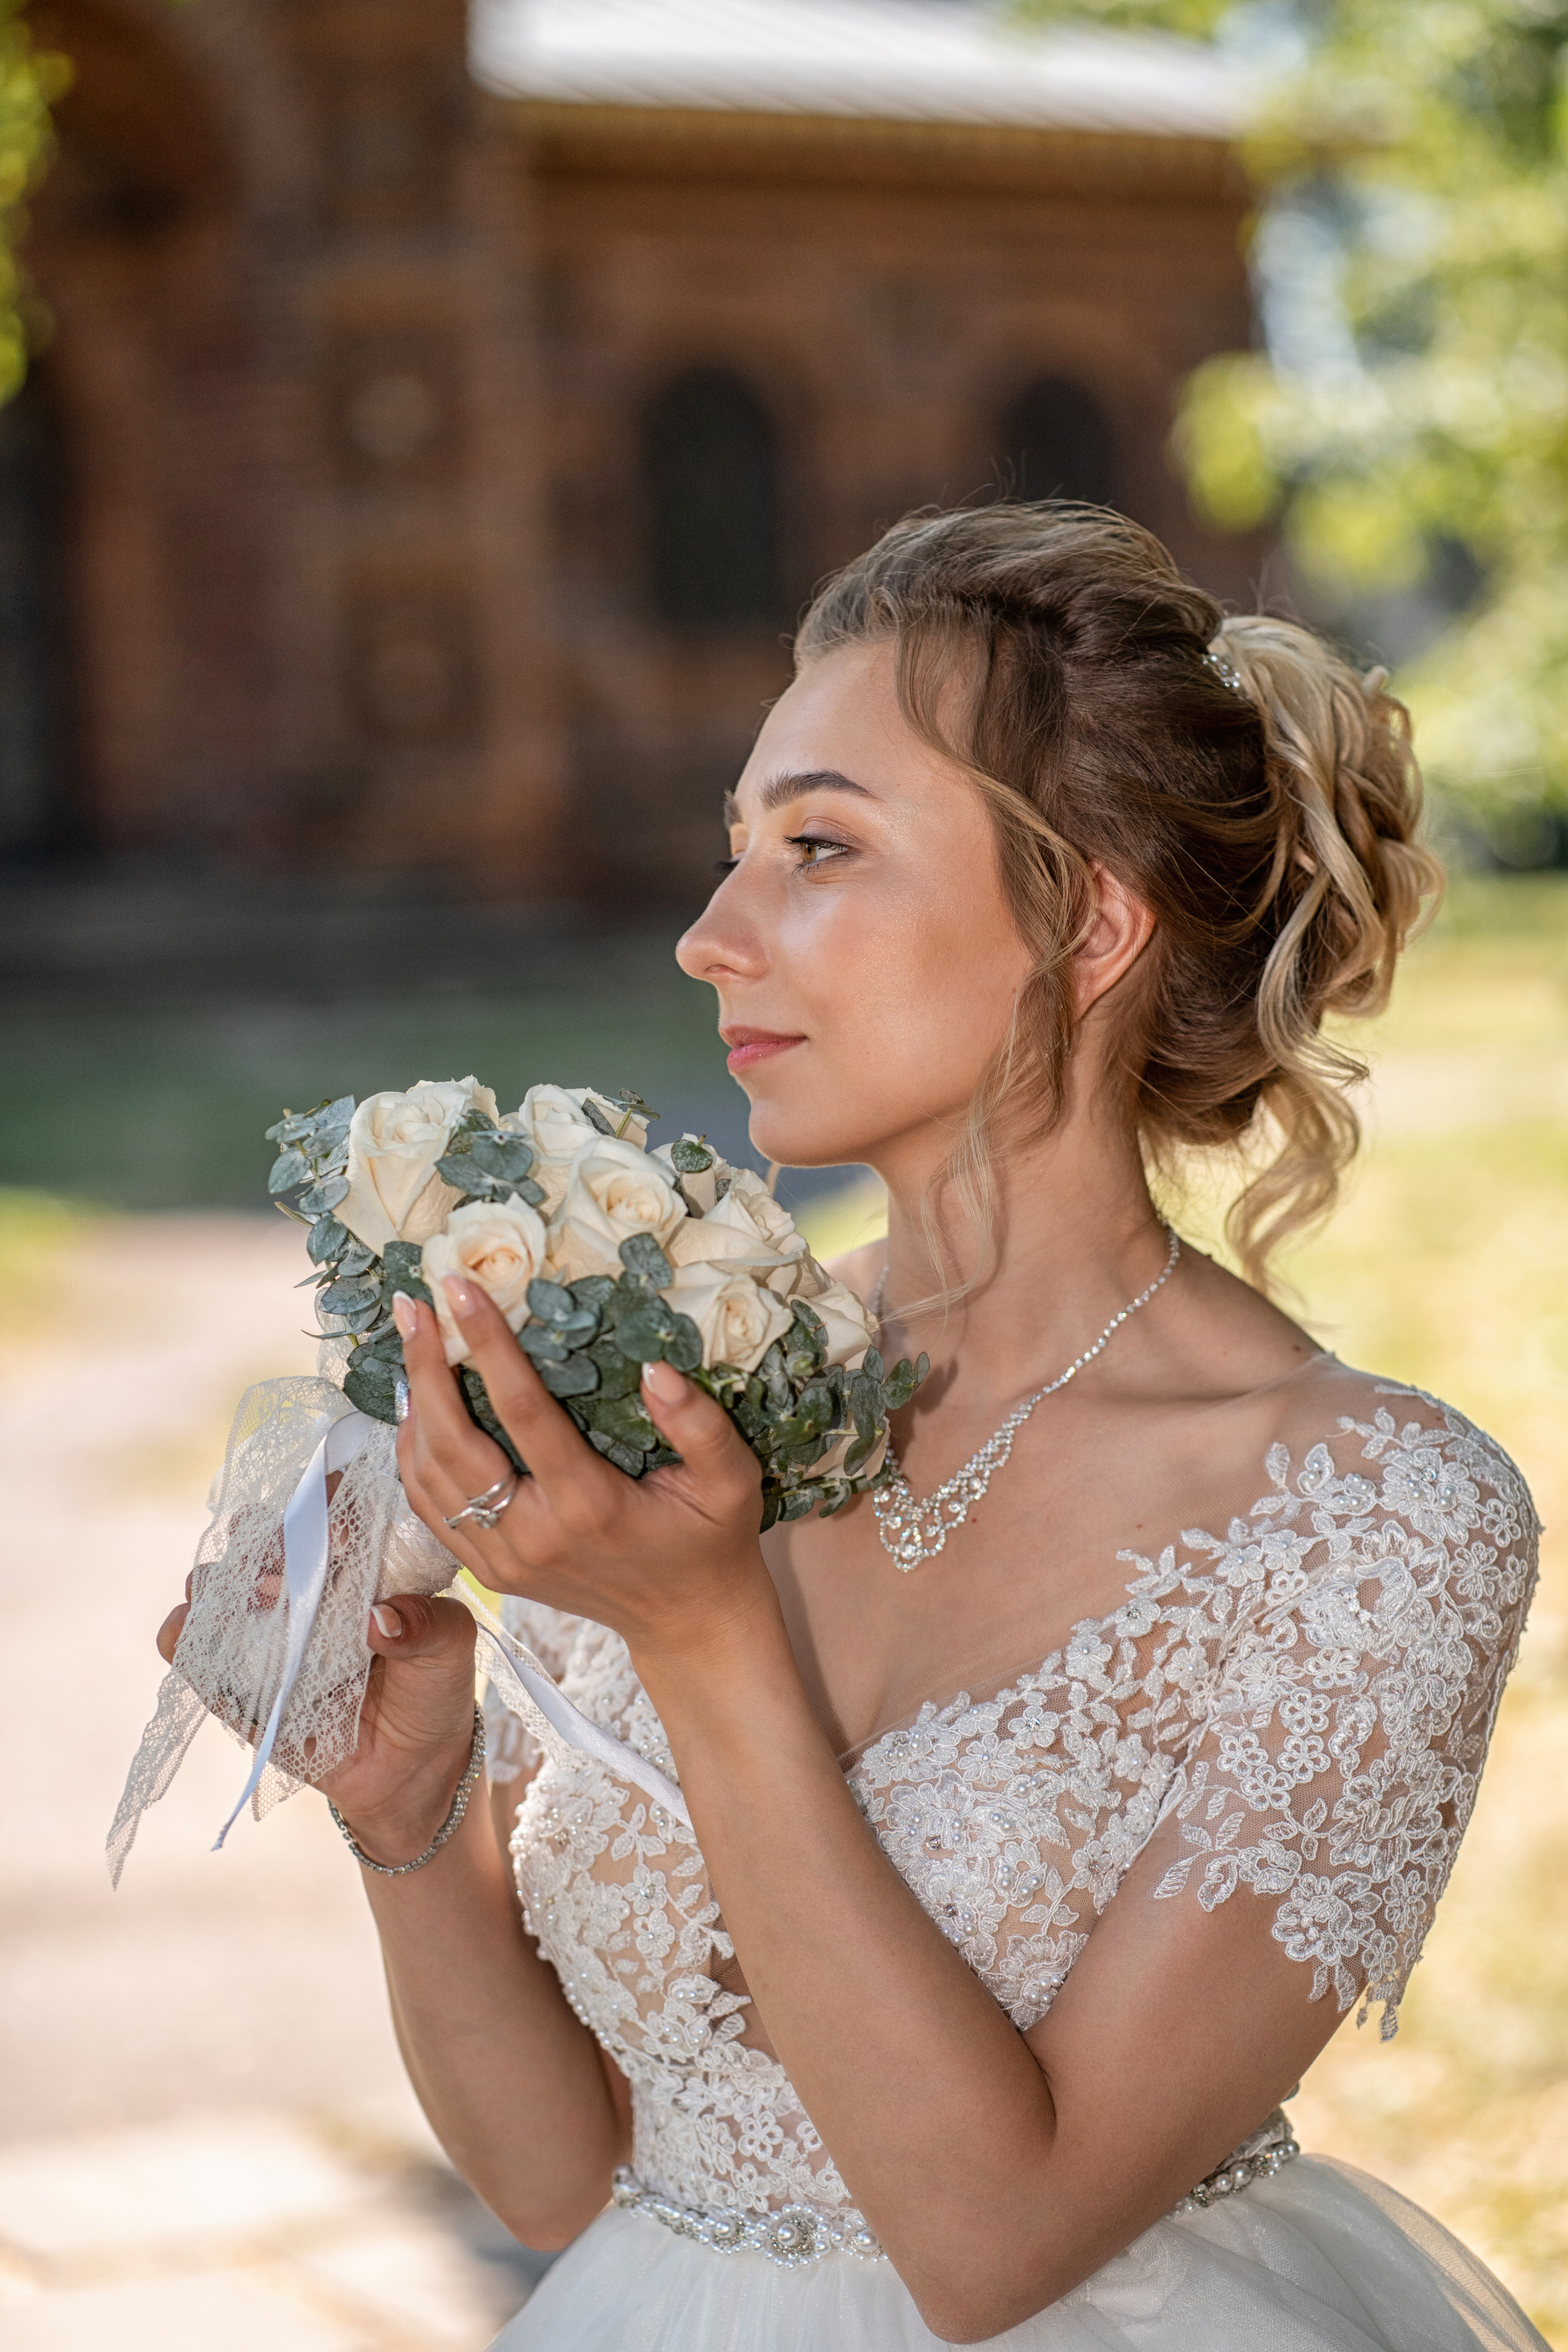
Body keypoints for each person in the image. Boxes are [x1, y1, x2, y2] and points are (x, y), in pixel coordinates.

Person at [160, 506, 1546, 2349]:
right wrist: (410, 1820)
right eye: (734, 852)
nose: (709, 938)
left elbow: (994, 2248)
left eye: (817, 847)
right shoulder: (679, 1369)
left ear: (1092, 924)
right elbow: (573, 2183)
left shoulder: (1378, 1519)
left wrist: (704, 1631)